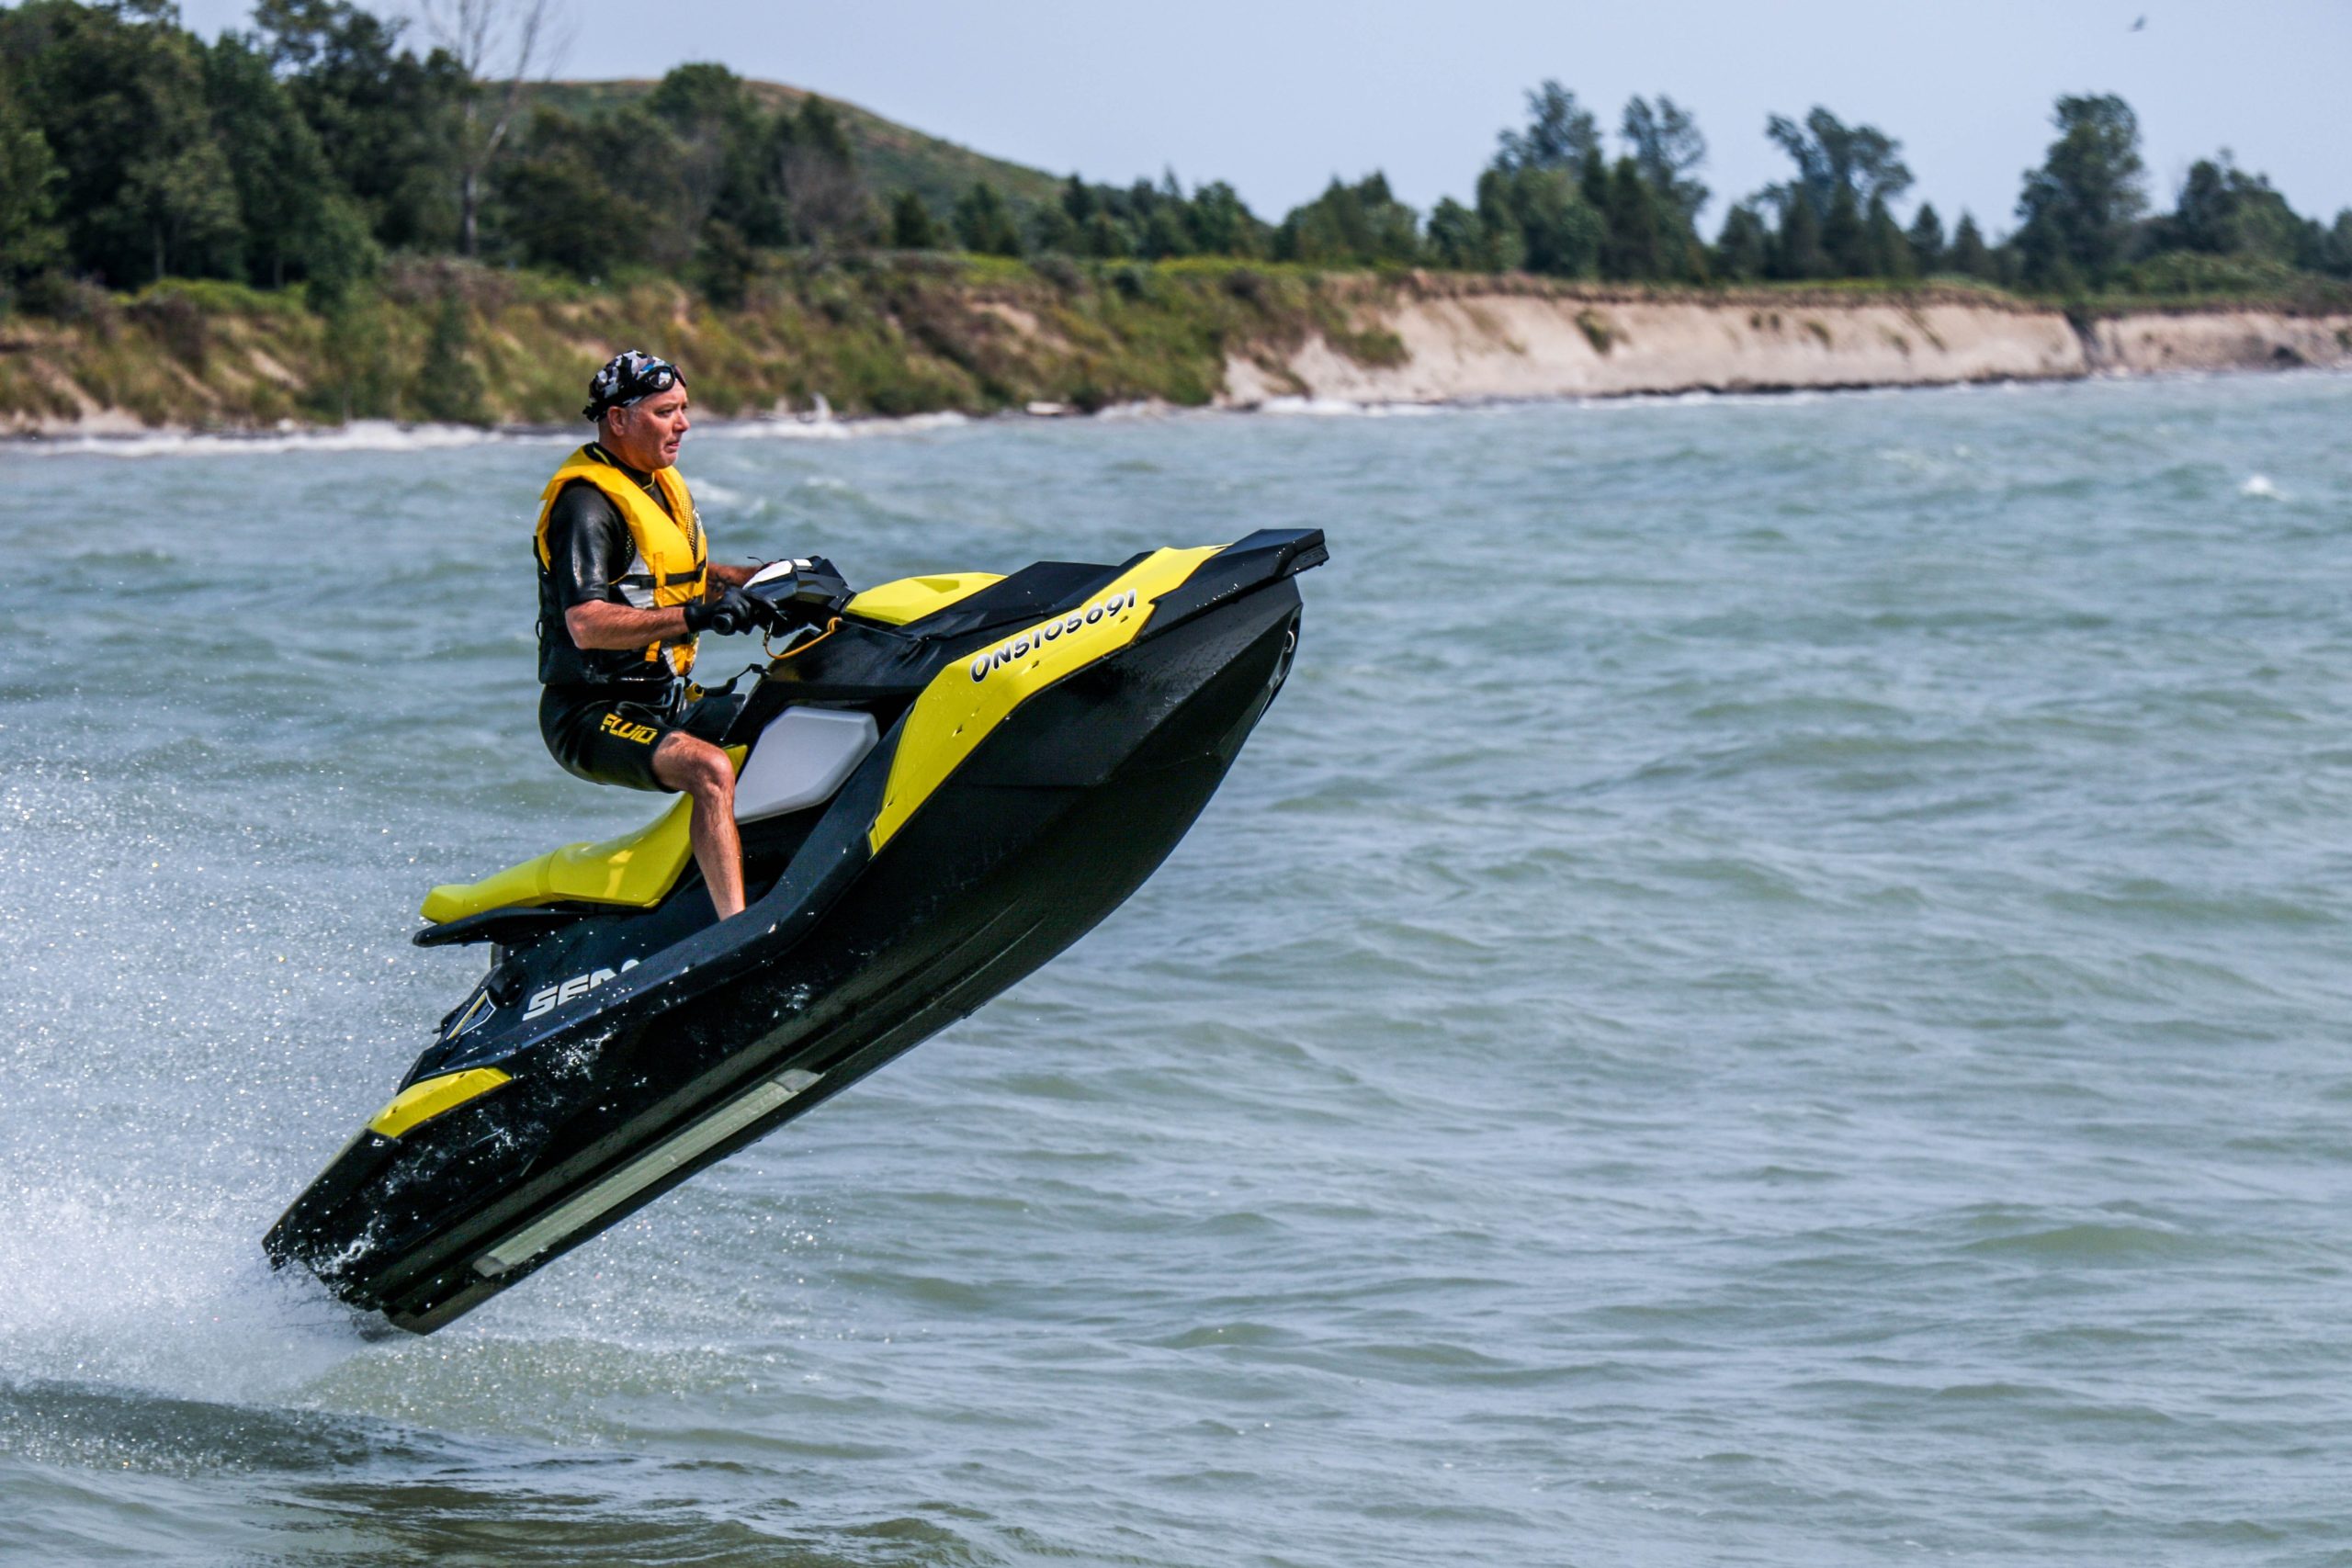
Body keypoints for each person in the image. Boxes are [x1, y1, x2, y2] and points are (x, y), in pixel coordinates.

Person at [535, 350, 768, 920]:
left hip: (665, 698)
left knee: (784, 716)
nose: (683, 424)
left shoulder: (657, 483)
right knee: (710, 769)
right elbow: (586, 624)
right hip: (591, 712)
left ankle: (774, 873)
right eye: (667, 412)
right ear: (619, 419)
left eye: (684, 409)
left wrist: (765, 580)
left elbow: (675, 579)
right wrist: (697, 616)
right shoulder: (586, 505)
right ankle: (735, 930)